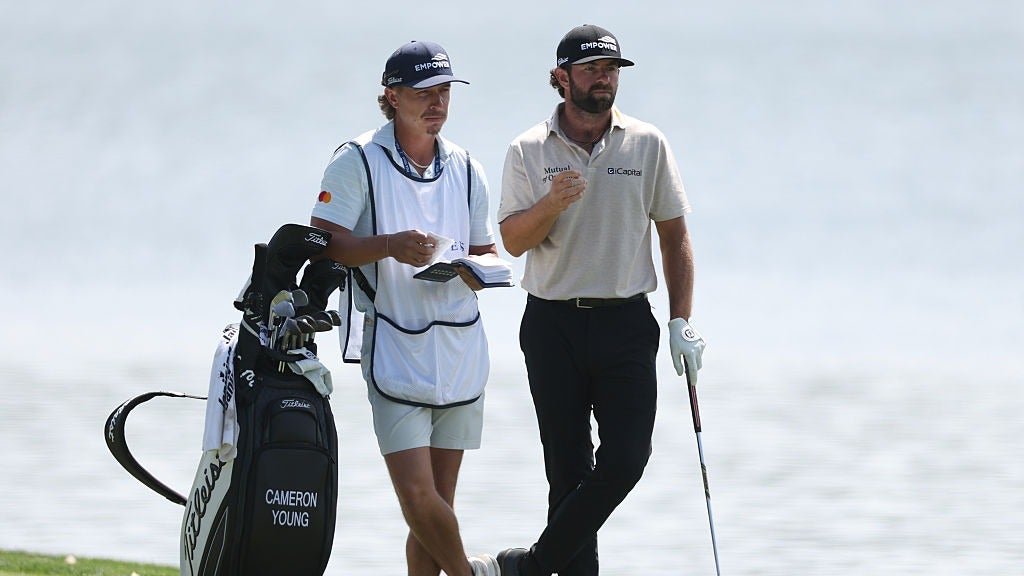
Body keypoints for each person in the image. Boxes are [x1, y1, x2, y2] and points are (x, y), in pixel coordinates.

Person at [494, 24, 707, 575]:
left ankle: (534, 566)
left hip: (627, 322)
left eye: (611, 70)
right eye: (590, 70)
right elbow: (514, 241)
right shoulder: (527, 149)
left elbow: (674, 234)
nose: (603, 81)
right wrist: (550, 204)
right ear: (561, 77)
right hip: (552, 323)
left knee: (627, 460)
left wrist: (681, 321)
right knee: (566, 472)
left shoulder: (647, 141)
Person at [310, 40, 499, 576]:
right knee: (419, 500)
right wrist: (389, 245)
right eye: (423, 93)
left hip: (459, 345)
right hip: (393, 342)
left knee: (439, 505)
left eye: (443, 92)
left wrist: (481, 269)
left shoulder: (466, 167)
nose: (437, 104)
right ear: (391, 96)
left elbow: (484, 249)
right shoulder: (357, 160)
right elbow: (321, 241)